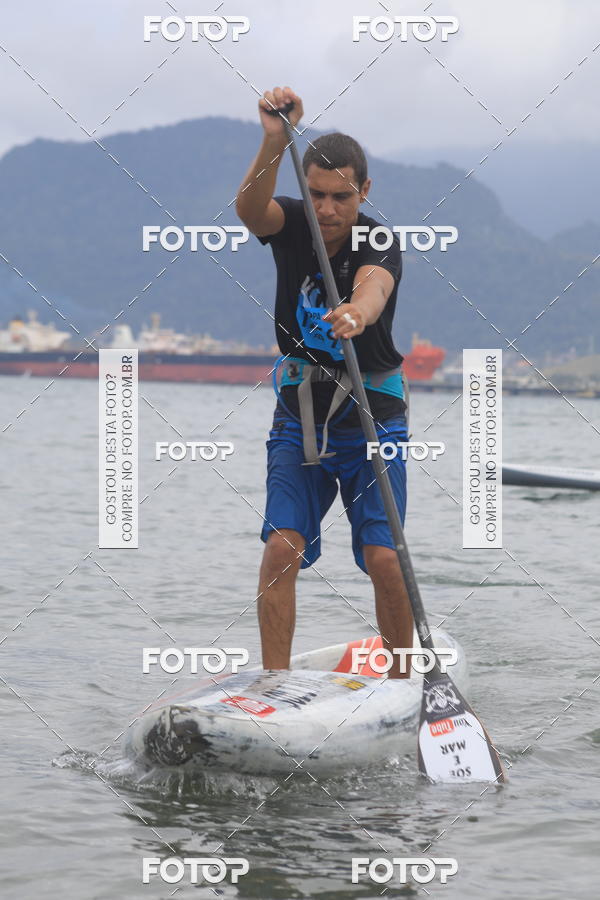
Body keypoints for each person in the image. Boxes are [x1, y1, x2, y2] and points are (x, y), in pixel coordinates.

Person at [236, 86, 413, 679]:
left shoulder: (379, 239)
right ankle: (274, 685)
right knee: (281, 549)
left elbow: (374, 286)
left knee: (384, 557)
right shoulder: (290, 226)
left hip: (373, 417)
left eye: (341, 197)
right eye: (316, 195)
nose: (328, 209)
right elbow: (249, 210)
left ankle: (404, 683)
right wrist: (272, 138)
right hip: (300, 415)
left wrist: (357, 314)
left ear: (364, 192)